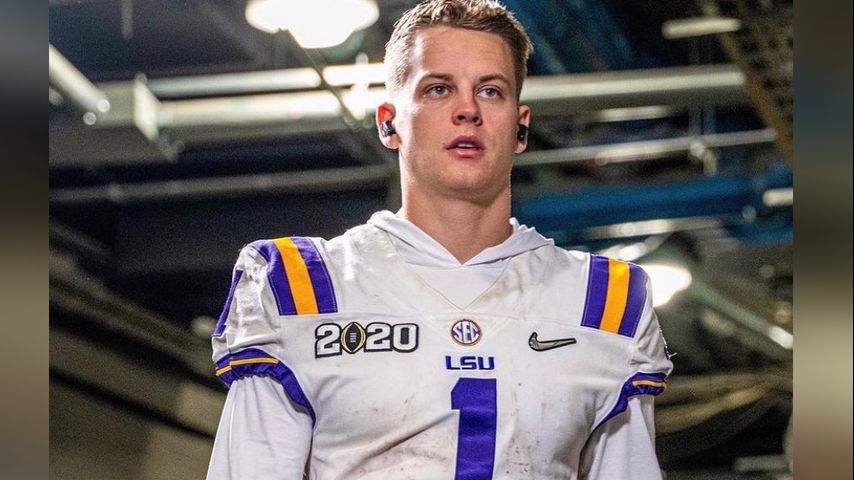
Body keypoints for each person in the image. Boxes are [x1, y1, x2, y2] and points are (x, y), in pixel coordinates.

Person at [206, 0, 673, 478]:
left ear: (521, 126)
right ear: (389, 122)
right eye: (438, 89)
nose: (467, 110)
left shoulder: (606, 301)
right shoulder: (299, 285)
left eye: (491, 91)